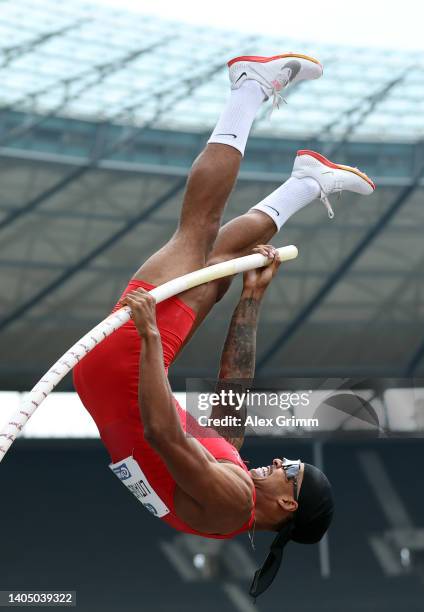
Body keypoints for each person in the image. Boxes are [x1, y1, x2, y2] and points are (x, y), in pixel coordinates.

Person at [74, 52, 375, 596]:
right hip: (119, 377)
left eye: (292, 471)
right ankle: (306, 183)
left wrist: (146, 339)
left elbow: (163, 431)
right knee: (221, 265)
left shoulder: (231, 502)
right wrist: (250, 301)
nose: (281, 460)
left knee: (197, 231)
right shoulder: (232, 478)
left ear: (287, 504)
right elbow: (233, 394)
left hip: (127, 371)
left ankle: (249, 88)